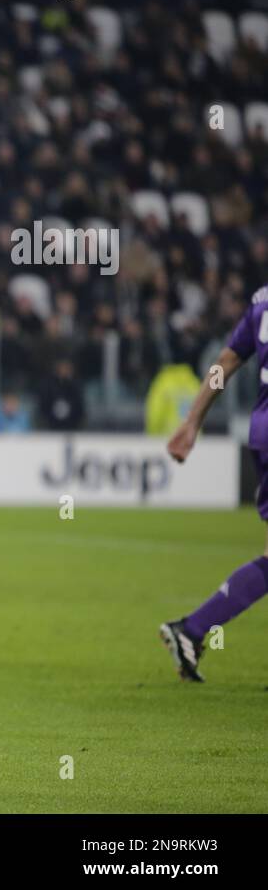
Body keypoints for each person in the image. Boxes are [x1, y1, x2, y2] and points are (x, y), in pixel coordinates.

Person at [162, 288, 268, 681]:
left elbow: (226, 361)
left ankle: (191, 630)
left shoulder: (261, 300)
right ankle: (191, 628)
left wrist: (193, 420)